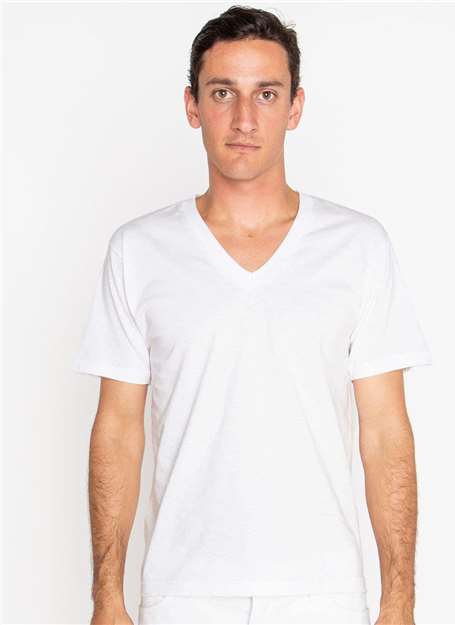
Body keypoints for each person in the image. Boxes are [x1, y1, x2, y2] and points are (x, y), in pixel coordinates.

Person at [73, 5, 432, 625]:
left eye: (266, 94)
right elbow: (118, 429)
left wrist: (399, 601)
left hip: (323, 595)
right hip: (182, 594)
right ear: (192, 106)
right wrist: (107, 599)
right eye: (223, 93)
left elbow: (385, 432)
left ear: (295, 107)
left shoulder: (358, 247)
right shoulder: (139, 250)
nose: (244, 118)